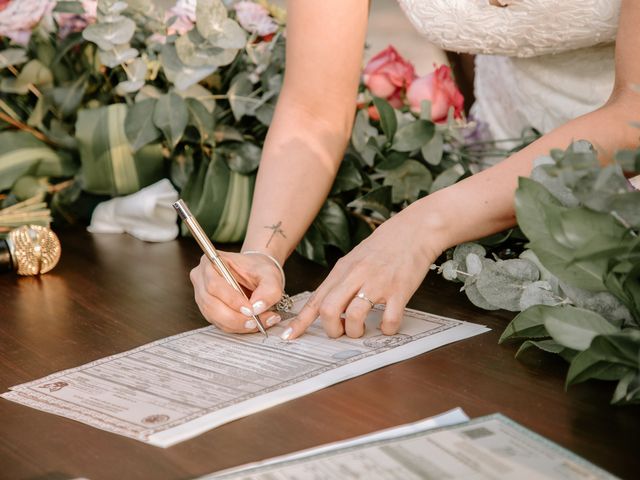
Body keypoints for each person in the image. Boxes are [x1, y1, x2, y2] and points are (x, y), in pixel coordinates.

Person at [190, 0, 638, 341]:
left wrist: (424, 225)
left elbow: (634, 112)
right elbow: (315, 106)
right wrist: (261, 254)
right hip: (493, 168)